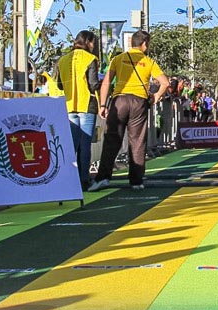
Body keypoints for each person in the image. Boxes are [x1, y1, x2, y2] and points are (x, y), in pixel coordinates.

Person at [92, 30, 169, 191]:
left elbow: (106, 82)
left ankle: (103, 178)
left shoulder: (118, 59)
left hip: (119, 100)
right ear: (145, 44)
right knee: (138, 141)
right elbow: (165, 83)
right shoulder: (149, 61)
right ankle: (136, 180)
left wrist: (103, 105)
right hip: (139, 101)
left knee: (112, 139)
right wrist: (156, 97)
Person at [56, 31, 101, 190]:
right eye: (93, 42)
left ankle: (69, 179)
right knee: (85, 143)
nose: (93, 45)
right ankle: (84, 180)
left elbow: (60, 85)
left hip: (69, 106)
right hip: (87, 104)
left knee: (72, 144)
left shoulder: (62, 60)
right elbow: (93, 84)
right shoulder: (90, 59)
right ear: (88, 42)